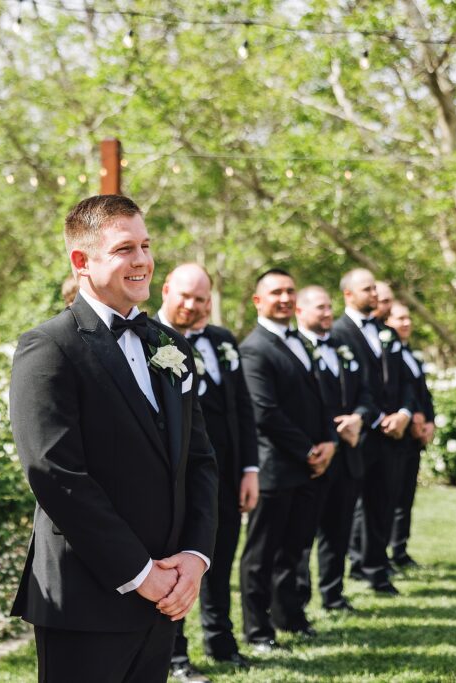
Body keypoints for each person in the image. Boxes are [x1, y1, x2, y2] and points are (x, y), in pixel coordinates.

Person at [9, 194, 219, 683]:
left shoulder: (170, 347)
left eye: (146, 246)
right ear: (81, 261)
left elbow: (200, 459)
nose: (143, 260)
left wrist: (194, 558)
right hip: (86, 597)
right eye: (126, 248)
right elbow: (55, 474)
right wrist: (140, 574)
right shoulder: (49, 347)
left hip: (165, 594)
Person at [157, 264, 258, 680]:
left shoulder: (222, 340)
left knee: (218, 559)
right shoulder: (150, 341)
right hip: (179, 480)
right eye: (184, 296)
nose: (192, 305)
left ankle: (221, 640)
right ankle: (175, 655)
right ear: (165, 291)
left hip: (228, 473)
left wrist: (250, 468)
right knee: (180, 563)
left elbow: (243, 408)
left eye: (200, 299)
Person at [238, 269, 335, 651]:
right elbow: (265, 411)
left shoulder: (299, 341)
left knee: (294, 550)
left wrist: (328, 441)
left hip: (308, 467)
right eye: (275, 292)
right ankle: (258, 631)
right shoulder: (254, 348)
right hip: (275, 468)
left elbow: (320, 399)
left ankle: (289, 616)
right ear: (258, 301)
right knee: (262, 555)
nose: (284, 298)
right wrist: (309, 450)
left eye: (289, 291)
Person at [291, 286, 375, 614]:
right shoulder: (294, 349)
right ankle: (296, 602)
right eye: (320, 308)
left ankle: (334, 593)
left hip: (349, 455)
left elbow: (367, 392)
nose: (328, 313)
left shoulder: (342, 347)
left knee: (338, 530)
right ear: (300, 311)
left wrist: (359, 418)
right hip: (313, 457)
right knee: (300, 537)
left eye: (330, 307)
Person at [332, 268, 415, 595]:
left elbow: (405, 380)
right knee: (349, 508)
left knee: (383, 503)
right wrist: (378, 417)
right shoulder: (338, 333)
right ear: (349, 294)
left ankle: (378, 571)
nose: (376, 296)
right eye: (368, 290)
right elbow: (350, 387)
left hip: (393, 434)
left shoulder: (388, 333)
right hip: (361, 433)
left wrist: (405, 414)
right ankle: (348, 571)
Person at [386, 301, 435, 569]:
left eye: (408, 318)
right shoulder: (390, 354)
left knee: (406, 497)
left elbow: (422, 394)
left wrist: (430, 421)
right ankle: (383, 553)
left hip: (416, 437)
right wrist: (412, 416)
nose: (406, 323)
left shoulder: (412, 355)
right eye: (399, 318)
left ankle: (400, 550)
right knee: (390, 497)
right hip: (399, 435)